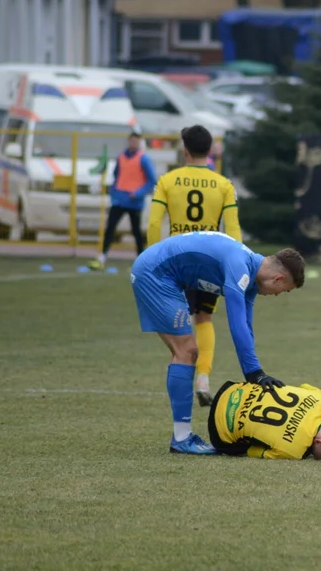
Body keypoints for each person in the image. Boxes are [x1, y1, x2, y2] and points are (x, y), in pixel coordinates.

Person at [130, 231, 305, 454]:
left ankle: (182, 437)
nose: (279, 295)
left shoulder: (250, 276)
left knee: (187, 352)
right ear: (278, 279)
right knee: (187, 351)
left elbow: (245, 327)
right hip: (155, 274)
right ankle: (182, 439)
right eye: (284, 291)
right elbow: (235, 323)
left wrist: (255, 373)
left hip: (165, 276)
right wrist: (254, 372)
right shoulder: (240, 265)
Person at [147, 125, 243, 407]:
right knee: (204, 318)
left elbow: (154, 223)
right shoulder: (224, 184)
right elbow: (234, 229)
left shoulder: (168, 180)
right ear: (210, 150)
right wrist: (235, 266)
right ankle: (203, 376)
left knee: (177, 321)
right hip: (209, 260)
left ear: (185, 149)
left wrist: (153, 257)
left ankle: (182, 368)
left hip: (176, 261)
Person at [206, 380, 321, 461]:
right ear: (319, 442)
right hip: (218, 430)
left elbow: (303, 387)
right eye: (314, 452)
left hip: (232, 389)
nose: (310, 453)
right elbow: (254, 451)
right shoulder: (295, 452)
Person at [92, 130, 157, 269]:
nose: (134, 143)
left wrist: (138, 193)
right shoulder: (121, 157)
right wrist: (114, 192)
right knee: (110, 228)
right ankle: (102, 257)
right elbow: (117, 175)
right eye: (132, 140)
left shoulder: (143, 158)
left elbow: (152, 181)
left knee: (136, 232)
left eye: (136, 141)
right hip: (119, 200)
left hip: (134, 202)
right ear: (129, 141)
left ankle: (142, 260)